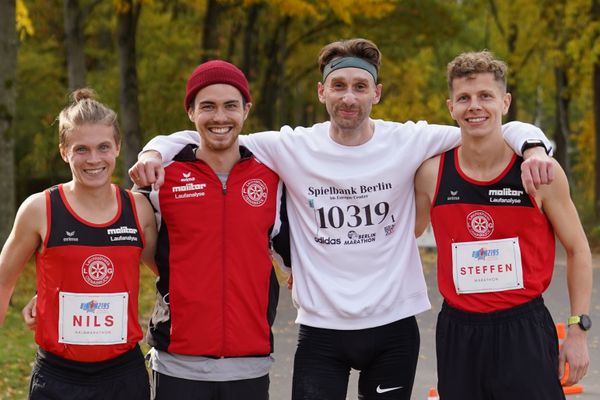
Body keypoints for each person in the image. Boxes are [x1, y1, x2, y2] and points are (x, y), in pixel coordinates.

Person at [129, 39, 554, 400]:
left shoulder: (409, 139)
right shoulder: (290, 146)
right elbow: (208, 134)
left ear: (376, 93)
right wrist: (151, 152)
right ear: (322, 92)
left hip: (393, 326)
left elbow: (489, 127)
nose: (348, 96)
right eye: (338, 86)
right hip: (322, 330)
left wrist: (534, 146)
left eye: (359, 86)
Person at [414, 51, 592, 400]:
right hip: (458, 331)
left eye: (485, 96)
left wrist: (578, 330)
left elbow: (578, 249)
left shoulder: (540, 174)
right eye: (464, 98)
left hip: (523, 328)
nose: (474, 106)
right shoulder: (431, 173)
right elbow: (401, 241)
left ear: (505, 102)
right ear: (450, 107)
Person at [138, 60, 289, 400]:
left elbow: (304, 249)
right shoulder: (161, 178)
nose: (220, 117)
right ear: (190, 111)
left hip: (250, 361)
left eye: (230, 106)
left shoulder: (274, 176)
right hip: (178, 361)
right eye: (207, 106)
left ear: (246, 110)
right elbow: (116, 242)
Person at [0, 88, 157, 400]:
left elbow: (168, 275)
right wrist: (48, 296)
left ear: (117, 147)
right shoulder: (40, 209)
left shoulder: (138, 208)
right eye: (81, 149)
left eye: (103, 147)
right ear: (64, 151)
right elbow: (3, 283)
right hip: (58, 377)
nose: (94, 159)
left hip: (123, 377)